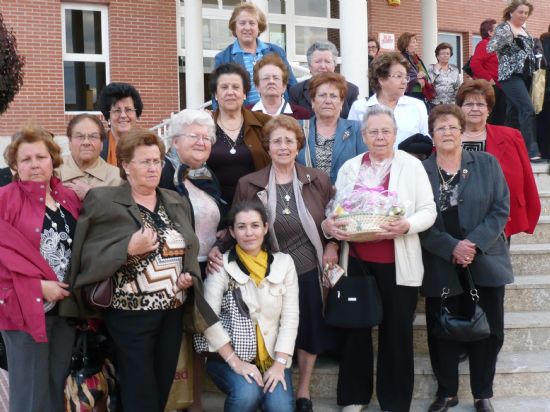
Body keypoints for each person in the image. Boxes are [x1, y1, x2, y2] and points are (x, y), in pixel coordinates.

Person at [66, 128, 220, 412]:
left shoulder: (174, 201)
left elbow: (187, 246)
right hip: (129, 314)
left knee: (161, 388)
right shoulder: (104, 200)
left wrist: (187, 275)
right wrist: (127, 248)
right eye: (145, 161)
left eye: (157, 161)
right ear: (125, 165)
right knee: (141, 391)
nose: (153, 168)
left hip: (172, 311)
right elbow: (86, 255)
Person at [322, 105, 437, 412]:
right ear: (364, 135)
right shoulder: (350, 167)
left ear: (396, 134)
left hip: (398, 264)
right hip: (357, 261)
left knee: (397, 334)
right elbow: (336, 209)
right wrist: (329, 228)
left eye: (386, 131)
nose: (380, 137)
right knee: (356, 330)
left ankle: (395, 402)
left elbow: (429, 210)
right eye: (373, 131)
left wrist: (407, 225)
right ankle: (354, 397)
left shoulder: (411, 167)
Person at [227, 115, 337, 412]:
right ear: (268, 146)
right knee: (273, 326)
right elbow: (236, 226)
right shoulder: (249, 183)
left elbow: (333, 222)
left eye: (289, 140)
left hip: (308, 267)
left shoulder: (318, 180)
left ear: (298, 145)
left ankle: (303, 391)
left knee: (309, 328)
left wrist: (333, 244)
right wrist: (217, 251)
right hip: (267, 269)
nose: (283, 146)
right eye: (277, 141)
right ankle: (268, 377)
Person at [420, 104, 513, 412]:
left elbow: (500, 209)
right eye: (440, 127)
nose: (447, 132)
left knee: (489, 330)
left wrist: (472, 244)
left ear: (462, 132)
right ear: (432, 135)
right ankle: (446, 392)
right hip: (440, 261)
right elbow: (418, 220)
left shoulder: (486, 163)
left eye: (452, 127)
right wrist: (451, 247)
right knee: (441, 329)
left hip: (483, 259)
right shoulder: (422, 171)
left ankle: (482, 392)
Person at [0, 125, 81, 412]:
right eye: (26, 159)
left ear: (53, 160)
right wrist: (36, 286)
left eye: (41, 157)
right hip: (24, 309)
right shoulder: (5, 200)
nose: (35, 164)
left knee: (55, 387)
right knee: (29, 393)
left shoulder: (68, 199)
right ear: (15, 166)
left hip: (66, 310)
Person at [203, 200, 299, 412]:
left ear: (265, 228)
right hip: (228, 357)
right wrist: (235, 361)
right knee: (247, 394)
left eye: (255, 225)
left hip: (273, 358)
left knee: (280, 408)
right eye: (241, 226)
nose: (249, 233)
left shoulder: (284, 263)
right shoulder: (221, 265)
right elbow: (208, 318)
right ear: (232, 231)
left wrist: (279, 364)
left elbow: (291, 318)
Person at [159, 109, 222, 412]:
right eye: (193, 136)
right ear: (174, 140)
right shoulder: (160, 174)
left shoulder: (208, 175)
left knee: (199, 339)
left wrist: (219, 245)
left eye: (206, 137)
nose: (201, 141)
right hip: (170, 271)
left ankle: (195, 402)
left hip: (204, 269)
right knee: (170, 339)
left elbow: (220, 219)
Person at [457, 79, 540, 238]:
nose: (475, 109)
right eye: (468, 104)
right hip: (459, 216)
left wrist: (530, 211)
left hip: (498, 218)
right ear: (460, 108)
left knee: (496, 262)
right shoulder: (449, 138)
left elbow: (527, 177)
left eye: (481, 104)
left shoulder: (511, 136)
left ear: (489, 110)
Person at [207, 63, 272, 209]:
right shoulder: (204, 126)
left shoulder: (264, 123)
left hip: (257, 207)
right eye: (224, 87)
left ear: (244, 94)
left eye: (236, 87)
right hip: (214, 207)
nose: (230, 92)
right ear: (216, 94)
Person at [487, 0, 541, 161]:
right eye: (520, 12)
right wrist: (510, 37)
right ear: (511, 12)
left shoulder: (524, 29)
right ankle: (530, 150)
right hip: (510, 76)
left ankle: (506, 149)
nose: (523, 15)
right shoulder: (505, 28)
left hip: (525, 76)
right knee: (527, 109)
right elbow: (491, 47)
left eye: (526, 13)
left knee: (513, 114)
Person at [214, 2, 296, 107]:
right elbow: (217, 94)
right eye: (242, 23)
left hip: (277, 115)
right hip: (245, 117)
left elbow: (292, 86)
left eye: (252, 23)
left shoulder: (276, 51)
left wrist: (294, 116)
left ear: (259, 28)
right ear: (234, 27)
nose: (247, 28)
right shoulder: (223, 58)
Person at [296, 72, 367, 184]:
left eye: (333, 96)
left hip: (345, 198)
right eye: (322, 95)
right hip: (308, 198)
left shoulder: (357, 129)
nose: (328, 101)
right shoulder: (297, 128)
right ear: (313, 101)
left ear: (341, 102)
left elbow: (365, 168)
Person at [348, 52, 429, 146]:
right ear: (381, 79)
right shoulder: (360, 107)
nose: (404, 81)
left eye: (406, 77)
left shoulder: (417, 105)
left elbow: (426, 141)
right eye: (398, 76)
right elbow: (351, 144)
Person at [56, 114, 122, 199]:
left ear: (102, 143)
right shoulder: (54, 172)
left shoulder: (117, 179)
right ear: (69, 142)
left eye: (93, 136)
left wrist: (91, 195)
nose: (86, 142)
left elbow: (121, 211)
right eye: (79, 136)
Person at [289, 41, 359, 119]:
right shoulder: (296, 91)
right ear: (309, 65)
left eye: (327, 61)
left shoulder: (351, 90)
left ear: (334, 65)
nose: (323, 66)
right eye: (318, 61)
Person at [248, 53, 311, 120]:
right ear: (257, 86)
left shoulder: (302, 114)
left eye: (276, 78)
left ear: (284, 86)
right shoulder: (246, 114)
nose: (271, 81)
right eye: (266, 78)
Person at [470, 19, 507, 126]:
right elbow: (475, 64)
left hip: (502, 87)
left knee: (500, 120)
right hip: (493, 88)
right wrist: (490, 80)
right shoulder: (485, 44)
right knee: (492, 119)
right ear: (490, 32)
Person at [98, 82, 144, 166]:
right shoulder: (97, 148)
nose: (123, 115)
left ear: (136, 115)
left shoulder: (148, 146)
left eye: (128, 110)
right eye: (117, 110)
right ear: (108, 117)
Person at [398, 32, 433, 109]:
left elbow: (426, 75)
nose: (416, 44)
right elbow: (400, 74)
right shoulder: (401, 59)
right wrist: (416, 79)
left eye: (416, 41)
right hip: (409, 93)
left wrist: (423, 75)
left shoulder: (417, 59)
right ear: (406, 44)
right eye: (413, 42)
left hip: (421, 92)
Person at [537, 25, 550, 159]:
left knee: (543, 121)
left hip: (542, 90)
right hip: (545, 89)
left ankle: (545, 152)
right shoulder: (545, 41)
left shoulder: (543, 41)